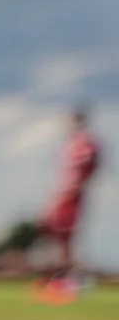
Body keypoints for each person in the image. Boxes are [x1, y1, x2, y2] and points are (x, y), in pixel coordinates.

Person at [34, 106, 101, 304]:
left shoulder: (84, 143)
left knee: (65, 241)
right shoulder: (71, 144)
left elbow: (85, 171)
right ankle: (58, 278)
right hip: (63, 194)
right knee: (55, 236)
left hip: (70, 196)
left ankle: (69, 281)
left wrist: (67, 194)